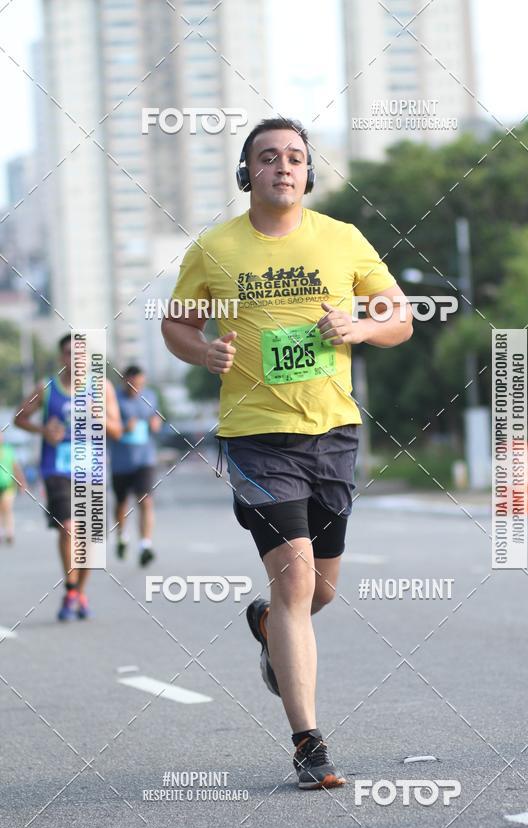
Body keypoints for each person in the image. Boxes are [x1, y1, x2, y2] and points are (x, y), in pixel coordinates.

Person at [162, 117, 413, 789]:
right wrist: (203, 351)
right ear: (247, 173)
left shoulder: (342, 238)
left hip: (333, 432)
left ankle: (270, 625)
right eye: (268, 157)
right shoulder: (215, 247)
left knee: (320, 589)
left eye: (295, 157)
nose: (282, 166)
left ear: (307, 173)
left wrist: (360, 326)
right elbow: (177, 323)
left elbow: (400, 318)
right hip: (255, 436)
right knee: (297, 579)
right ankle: (309, 743)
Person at [14, 333, 122, 621]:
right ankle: (72, 587)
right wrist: (43, 430)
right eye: (69, 353)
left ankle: (77, 592)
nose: (75, 359)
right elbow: (19, 418)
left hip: (92, 469)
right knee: (69, 528)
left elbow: (117, 431)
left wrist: (99, 417)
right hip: (57, 468)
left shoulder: (102, 387)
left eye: (81, 354)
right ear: (62, 357)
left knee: (91, 539)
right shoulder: (46, 388)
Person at [110, 365, 162, 566]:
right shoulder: (113, 398)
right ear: (124, 381)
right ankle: (122, 536)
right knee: (122, 503)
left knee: (145, 500)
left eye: (139, 385)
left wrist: (156, 422)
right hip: (121, 462)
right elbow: (102, 426)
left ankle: (145, 546)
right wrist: (124, 428)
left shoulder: (150, 396)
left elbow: (156, 416)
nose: (136, 389)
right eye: (132, 385)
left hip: (145, 459)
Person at [0, 431, 25, 544]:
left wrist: (21, 482)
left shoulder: (8, 450)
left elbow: (16, 467)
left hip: (8, 485)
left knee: (7, 508)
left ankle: (9, 533)